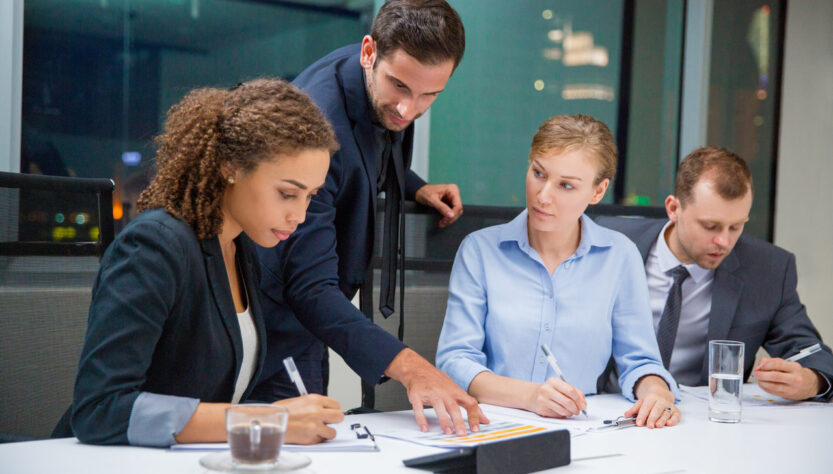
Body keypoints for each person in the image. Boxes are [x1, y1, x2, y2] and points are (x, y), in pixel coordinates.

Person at [253, 0, 486, 435]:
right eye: (399, 86)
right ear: (368, 52)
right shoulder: (318, 129)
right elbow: (307, 286)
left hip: (313, 314)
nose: (408, 109)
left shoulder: (384, 81)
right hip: (273, 319)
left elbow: (378, 142)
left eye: (429, 95)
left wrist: (412, 184)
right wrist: (413, 368)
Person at [71, 79, 346, 446]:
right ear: (230, 167)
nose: (299, 215)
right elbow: (100, 410)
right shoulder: (154, 246)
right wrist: (265, 420)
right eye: (287, 193)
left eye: (310, 196)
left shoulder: (238, 247)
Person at [436, 114, 681, 429]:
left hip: (583, 430)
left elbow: (641, 361)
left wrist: (656, 392)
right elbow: (455, 361)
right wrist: (532, 396)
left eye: (566, 185)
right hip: (492, 427)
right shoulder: (480, 251)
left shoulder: (619, 256)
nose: (543, 195)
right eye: (538, 173)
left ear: (597, 191)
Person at [597, 146, 833, 401]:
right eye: (711, 226)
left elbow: (810, 352)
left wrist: (812, 381)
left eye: (736, 226)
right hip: (609, 407)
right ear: (673, 208)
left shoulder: (768, 270)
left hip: (701, 420)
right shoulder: (608, 242)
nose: (724, 241)